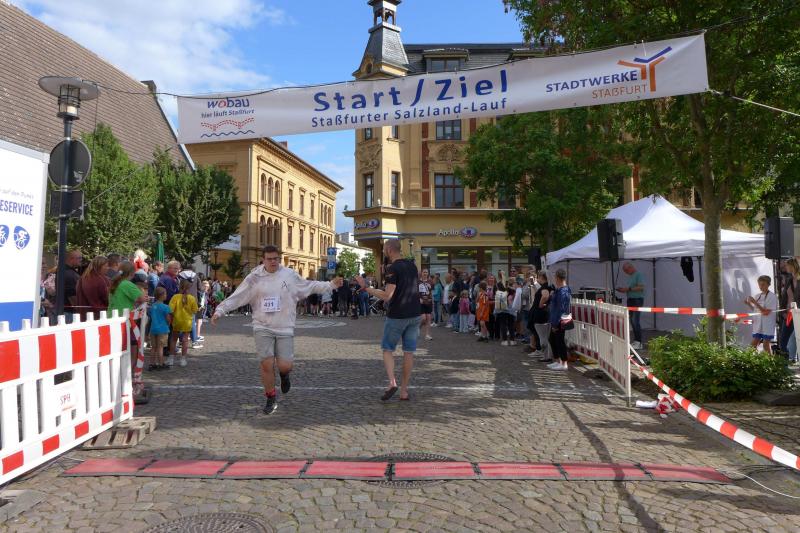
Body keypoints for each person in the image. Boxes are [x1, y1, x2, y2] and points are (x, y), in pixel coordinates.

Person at [211, 246, 343, 414]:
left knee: (285, 365)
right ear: (263, 260)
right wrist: (220, 310)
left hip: (284, 326)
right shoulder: (254, 278)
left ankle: (284, 375)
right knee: (266, 364)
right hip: (262, 326)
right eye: (269, 259)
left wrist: (330, 285)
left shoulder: (289, 275)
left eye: (275, 258)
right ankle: (270, 397)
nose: (273, 262)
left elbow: (309, 285)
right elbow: (238, 296)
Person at [355, 238, 420, 402]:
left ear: (390, 250)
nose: (384, 251)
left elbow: (387, 295)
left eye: (384, 249)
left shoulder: (393, 268)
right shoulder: (412, 266)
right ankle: (404, 391)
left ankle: (392, 382)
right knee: (409, 352)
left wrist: (366, 288)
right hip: (414, 314)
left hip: (398, 315)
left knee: (387, 349)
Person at [745, 275, 778, 354]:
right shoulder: (758, 296)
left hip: (767, 324)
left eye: (763, 284)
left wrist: (754, 302)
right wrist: (748, 304)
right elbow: (756, 310)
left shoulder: (772, 296)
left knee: (765, 345)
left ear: (768, 284)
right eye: (759, 284)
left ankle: (771, 361)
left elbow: (766, 312)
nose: (761, 286)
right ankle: (753, 359)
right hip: (758, 324)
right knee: (753, 345)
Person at [170, 279, 199, 367]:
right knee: (185, 340)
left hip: (177, 320)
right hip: (187, 321)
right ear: (189, 288)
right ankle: (183, 360)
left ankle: (171, 359)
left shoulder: (175, 297)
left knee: (174, 339)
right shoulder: (192, 298)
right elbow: (195, 310)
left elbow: (170, 309)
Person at [548, 269, 572, 371]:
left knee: (559, 340)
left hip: (560, 319)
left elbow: (561, 308)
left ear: (558, 278)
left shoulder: (563, 291)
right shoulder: (561, 290)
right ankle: (558, 361)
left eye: (555, 277)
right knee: (553, 339)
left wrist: (556, 323)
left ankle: (564, 363)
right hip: (558, 318)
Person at [617, 262, 645, 349]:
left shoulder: (638, 275)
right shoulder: (631, 276)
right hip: (631, 299)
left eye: (626, 270)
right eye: (624, 271)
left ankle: (639, 342)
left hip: (637, 300)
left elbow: (641, 287)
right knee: (632, 321)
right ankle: (636, 341)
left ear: (630, 267)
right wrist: (624, 290)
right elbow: (631, 288)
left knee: (635, 320)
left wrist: (628, 289)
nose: (626, 272)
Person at [75, 255, 110, 320]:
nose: (108, 268)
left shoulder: (82, 278)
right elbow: (107, 298)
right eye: (106, 266)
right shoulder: (101, 279)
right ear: (99, 266)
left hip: (82, 315)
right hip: (98, 315)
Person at [529, 272, 554, 361]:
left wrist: (540, 304)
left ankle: (546, 356)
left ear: (541, 277)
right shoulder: (550, 286)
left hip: (540, 314)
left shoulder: (545, 287)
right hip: (545, 313)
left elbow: (545, 296)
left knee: (542, 337)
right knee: (545, 336)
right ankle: (547, 355)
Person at [148, 287, 172, 370]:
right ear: (162, 295)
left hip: (153, 329)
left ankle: (151, 363)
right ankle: (161, 363)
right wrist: (168, 324)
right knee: (160, 347)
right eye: (165, 294)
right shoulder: (166, 307)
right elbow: (168, 319)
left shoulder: (152, 306)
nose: (166, 295)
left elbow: (150, 316)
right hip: (162, 329)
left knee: (153, 347)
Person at [62, 249, 83, 315]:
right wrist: (79, 310)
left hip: (66, 310)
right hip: (69, 312)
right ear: (71, 259)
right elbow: (72, 295)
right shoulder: (69, 274)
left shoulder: (64, 270)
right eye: (79, 258)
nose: (81, 260)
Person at [418, 269, 433, 340]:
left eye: (426, 272)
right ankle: (417, 329)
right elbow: (415, 292)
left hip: (428, 302)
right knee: (423, 319)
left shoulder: (430, 281)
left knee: (429, 318)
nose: (425, 273)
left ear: (428, 273)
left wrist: (432, 299)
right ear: (421, 273)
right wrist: (418, 298)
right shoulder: (417, 282)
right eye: (424, 272)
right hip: (421, 303)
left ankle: (427, 335)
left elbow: (431, 292)